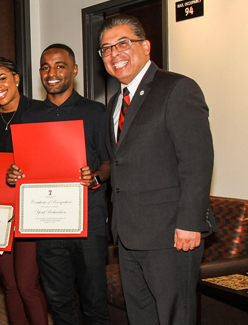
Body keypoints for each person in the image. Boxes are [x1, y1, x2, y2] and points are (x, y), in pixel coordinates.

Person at [98, 14, 215, 325]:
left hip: (170, 234)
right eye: (106, 49)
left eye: (123, 43)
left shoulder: (177, 88)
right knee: (142, 317)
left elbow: (196, 161)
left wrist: (190, 223)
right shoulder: (114, 103)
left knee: (175, 317)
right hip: (127, 234)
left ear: (146, 46)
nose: (114, 54)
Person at [6, 44, 111, 325]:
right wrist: (13, 174)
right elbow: (23, 168)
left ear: (74, 71)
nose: (51, 73)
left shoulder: (97, 112)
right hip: (48, 224)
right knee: (59, 301)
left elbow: (110, 161)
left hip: (89, 222)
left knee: (94, 301)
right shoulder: (29, 117)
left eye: (59, 66)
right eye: (45, 67)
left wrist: (96, 177)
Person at [0, 57, 49, 325]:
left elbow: (50, 162)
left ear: (16, 79)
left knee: (27, 284)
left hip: (29, 210)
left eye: (3, 78)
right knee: (9, 284)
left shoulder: (39, 112)